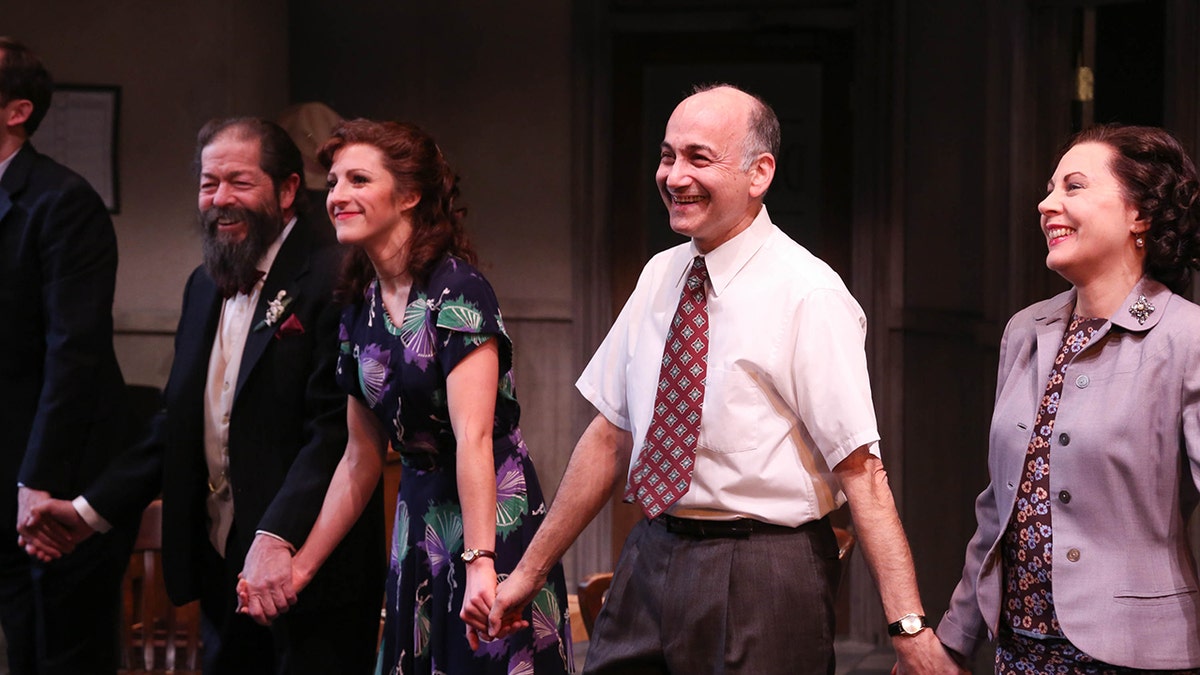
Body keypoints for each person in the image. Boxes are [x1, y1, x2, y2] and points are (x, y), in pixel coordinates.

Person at [487, 83, 951, 674]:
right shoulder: (661, 274)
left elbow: (862, 471)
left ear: (759, 174)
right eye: (667, 155)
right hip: (651, 551)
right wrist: (525, 575)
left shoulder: (807, 292)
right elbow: (609, 436)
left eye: (698, 158)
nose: (674, 175)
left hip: (763, 570)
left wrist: (908, 631)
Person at [23, 118, 386, 675]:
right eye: (208, 184)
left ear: (288, 191)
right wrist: (87, 511)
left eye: (239, 182)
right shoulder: (203, 283)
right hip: (223, 574)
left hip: (311, 579)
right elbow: (176, 422)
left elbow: (333, 432)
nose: (220, 199)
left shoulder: (337, 277)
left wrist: (275, 538)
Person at [240, 118, 575, 674]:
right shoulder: (357, 306)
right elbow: (358, 459)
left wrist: (480, 562)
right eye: (336, 181)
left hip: (490, 518)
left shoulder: (458, 289)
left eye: (359, 181)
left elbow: (473, 439)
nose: (338, 196)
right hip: (416, 523)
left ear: (410, 195)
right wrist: (300, 569)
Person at [935, 125, 1200, 672]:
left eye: (1073, 187)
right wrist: (955, 638)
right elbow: (998, 508)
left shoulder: (1187, 339)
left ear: (1140, 215)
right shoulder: (1026, 330)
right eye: (1049, 188)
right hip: (1018, 651)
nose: (1046, 203)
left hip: (1133, 655)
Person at [0, 36, 138, 675]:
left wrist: (37, 481)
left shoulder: (61, 200)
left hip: (50, 478)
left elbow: (73, 352)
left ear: (16, 110)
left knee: (54, 655)